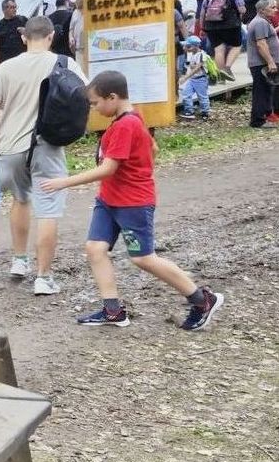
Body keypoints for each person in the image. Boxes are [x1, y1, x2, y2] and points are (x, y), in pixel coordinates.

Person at [39, 71, 224, 331]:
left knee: (143, 258)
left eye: (95, 103)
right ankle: (113, 311)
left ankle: (202, 300)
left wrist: (63, 182)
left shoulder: (126, 124)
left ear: (112, 97)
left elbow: (108, 169)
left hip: (132, 203)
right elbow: (153, 149)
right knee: (95, 248)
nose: (94, 109)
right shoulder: (129, 118)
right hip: (108, 199)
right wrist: (141, 169)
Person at [0, 15, 68, 296]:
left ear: (23, 38)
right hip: (47, 144)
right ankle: (44, 277)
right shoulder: (63, 63)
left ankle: (19, 261)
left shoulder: (5, 68)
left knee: (20, 200)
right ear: (51, 36)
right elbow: (84, 98)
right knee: (48, 209)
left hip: (10, 146)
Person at [199, 0, 245, 81]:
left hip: (211, 26)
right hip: (231, 25)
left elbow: (202, 14)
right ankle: (227, 68)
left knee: (218, 49)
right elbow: (242, 10)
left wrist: (202, 28)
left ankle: (220, 76)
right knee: (236, 46)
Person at [245, 0, 279, 127]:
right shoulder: (260, 23)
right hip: (261, 63)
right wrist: (270, 62)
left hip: (263, 63)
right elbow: (261, 44)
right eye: (272, 7)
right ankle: (258, 120)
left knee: (267, 90)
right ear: (262, 10)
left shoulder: (263, 22)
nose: (275, 10)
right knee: (261, 91)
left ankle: (266, 115)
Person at [177, 36, 211, 120]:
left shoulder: (201, 55)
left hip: (201, 79)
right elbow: (190, 66)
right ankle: (189, 111)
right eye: (186, 46)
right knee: (186, 94)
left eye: (189, 46)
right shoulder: (191, 54)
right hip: (192, 79)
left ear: (196, 46)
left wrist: (185, 78)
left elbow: (197, 68)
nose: (186, 48)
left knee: (202, 96)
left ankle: (205, 112)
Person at [0, 0, 28, 68]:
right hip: (5, 61)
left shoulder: (23, 20)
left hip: (22, 59)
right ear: (4, 9)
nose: (15, 9)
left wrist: (26, 32)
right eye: (12, 7)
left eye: (15, 7)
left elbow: (35, 36)